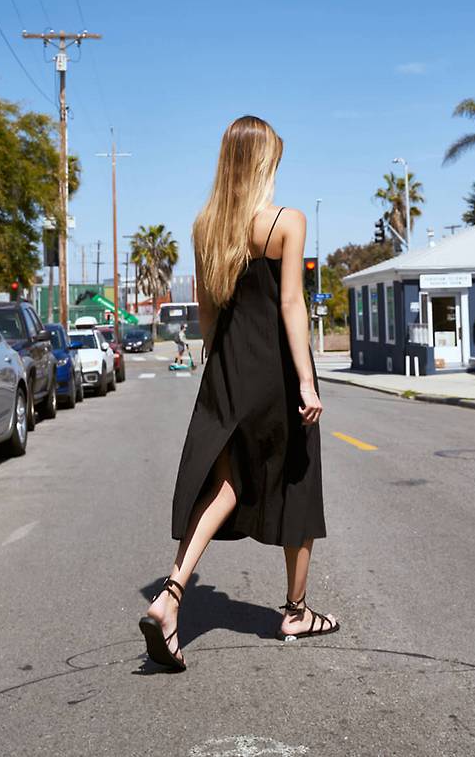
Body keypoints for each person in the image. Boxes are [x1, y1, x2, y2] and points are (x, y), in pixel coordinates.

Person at [139, 115, 338, 671]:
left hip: (227, 367)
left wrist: (217, 361)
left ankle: (170, 597)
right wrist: (305, 380)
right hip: (276, 370)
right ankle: (296, 611)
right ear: (264, 162)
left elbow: (207, 313)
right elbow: (291, 304)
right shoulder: (286, 222)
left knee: (224, 484)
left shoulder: (206, 227)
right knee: (297, 478)